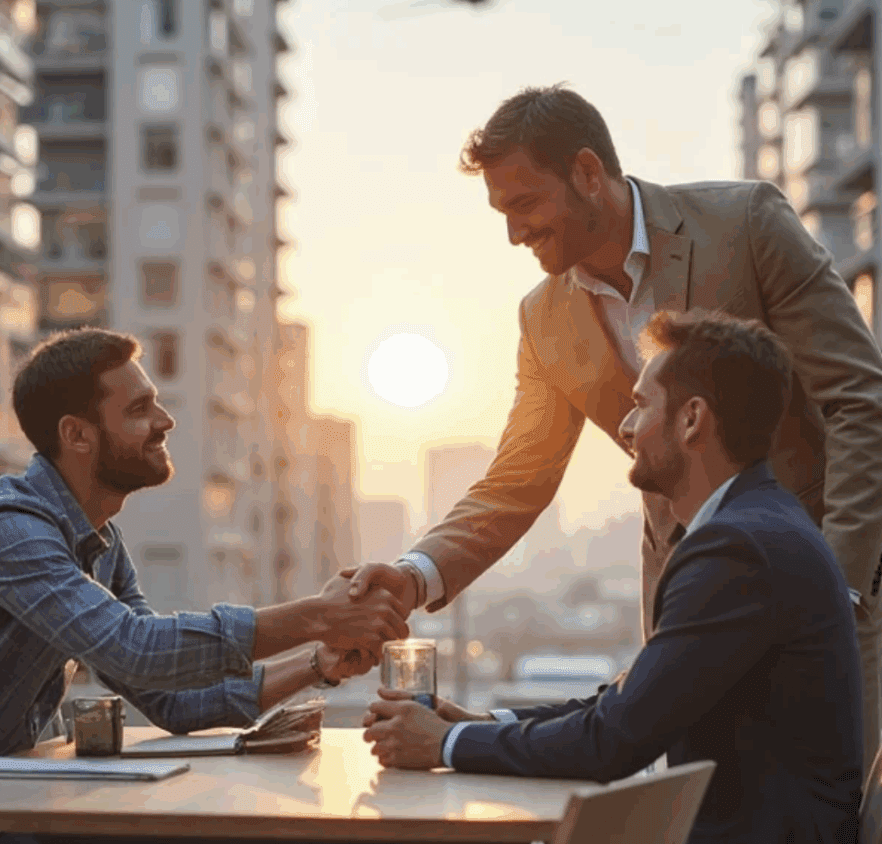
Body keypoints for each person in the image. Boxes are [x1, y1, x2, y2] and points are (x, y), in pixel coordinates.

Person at [347, 84, 882, 767]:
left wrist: (836, 588)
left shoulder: (745, 225)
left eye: (524, 203)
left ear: (587, 173)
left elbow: (860, 397)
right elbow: (519, 479)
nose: (513, 232)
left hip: (825, 587)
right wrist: (414, 575)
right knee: (699, 804)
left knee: (830, 803)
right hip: (686, 606)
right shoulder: (543, 318)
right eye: (501, 212)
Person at [0, 328, 407, 844]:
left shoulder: (100, 543)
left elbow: (167, 698)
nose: (166, 421)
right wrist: (317, 615)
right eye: (140, 410)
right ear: (77, 434)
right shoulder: (5, 527)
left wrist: (317, 663)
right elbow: (136, 648)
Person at [363, 310, 863, 843]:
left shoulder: (737, 548)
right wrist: (482, 725)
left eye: (641, 404)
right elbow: (626, 702)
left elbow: (615, 740)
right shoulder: (755, 526)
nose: (625, 427)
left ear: (692, 420)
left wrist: (443, 743)